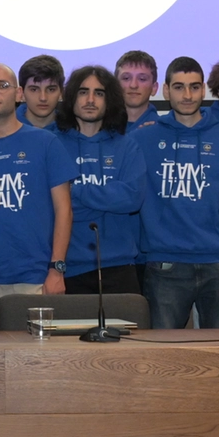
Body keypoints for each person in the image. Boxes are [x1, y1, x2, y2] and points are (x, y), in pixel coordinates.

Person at [0, 63, 77, 331]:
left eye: (2, 86)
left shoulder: (46, 144)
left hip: (35, 280)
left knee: (37, 367)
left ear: (18, 94)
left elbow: (64, 211)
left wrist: (57, 270)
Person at [132, 57, 219, 329]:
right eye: (179, 87)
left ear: (204, 90)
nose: (187, 95)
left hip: (217, 265)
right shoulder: (143, 139)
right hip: (164, 264)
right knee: (164, 359)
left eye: (194, 87)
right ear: (165, 90)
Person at [54, 65, 145, 295]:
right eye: (83, 92)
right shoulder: (51, 144)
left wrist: (75, 192)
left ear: (109, 99)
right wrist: (106, 202)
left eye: (99, 93)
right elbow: (49, 204)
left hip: (119, 267)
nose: (91, 100)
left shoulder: (127, 146)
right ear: (71, 97)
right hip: (68, 270)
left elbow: (132, 199)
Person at [115, 50, 166, 128]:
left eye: (142, 79)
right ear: (115, 85)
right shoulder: (99, 129)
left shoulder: (165, 130)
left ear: (154, 88)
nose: (133, 85)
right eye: (126, 78)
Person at [15, 54, 64, 130]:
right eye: (34, 90)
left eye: (51, 90)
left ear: (61, 93)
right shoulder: (1, 130)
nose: (43, 98)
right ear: (21, 93)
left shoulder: (74, 134)